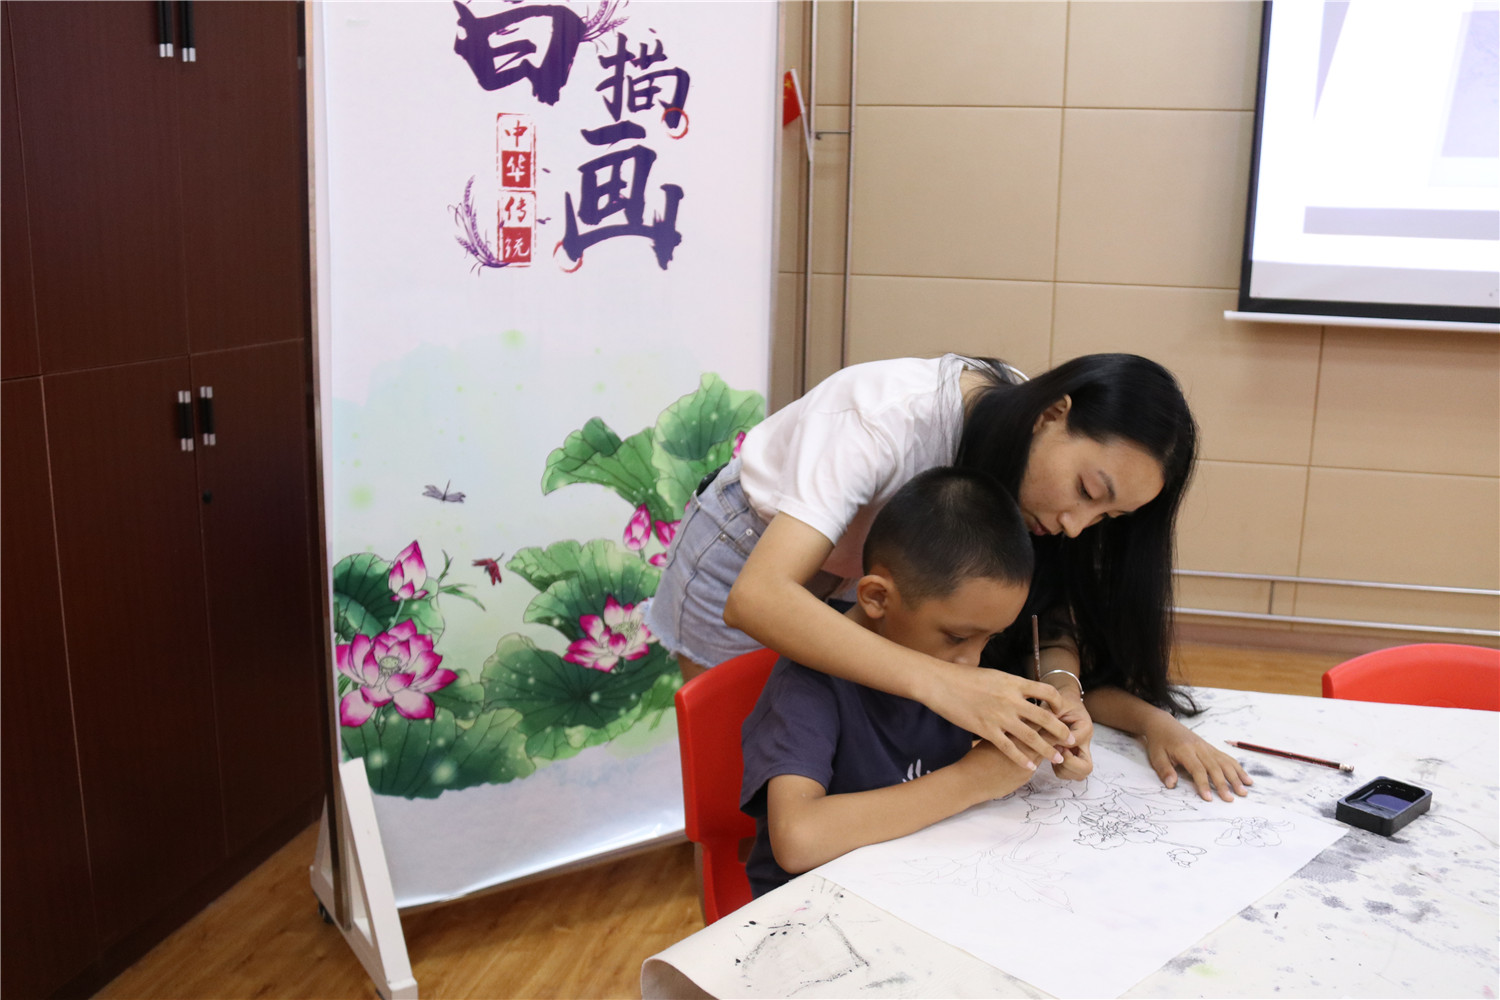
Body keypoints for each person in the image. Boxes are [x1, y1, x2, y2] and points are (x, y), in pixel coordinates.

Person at [646, 352, 1252, 801]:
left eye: (1106, 518)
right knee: (748, 787)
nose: (1076, 526)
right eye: (1088, 491)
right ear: (1052, 414)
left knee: (846, 773)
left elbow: (1049, 614)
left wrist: (1062, 692)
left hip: (864, 577)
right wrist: (948, 684)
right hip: (749, 553)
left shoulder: (1027, 460)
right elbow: (759, 597)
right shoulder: (884, 417)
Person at [739, 467, 1063, 897]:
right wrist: (973, 779)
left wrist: (1050, 736)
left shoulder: (943, 646)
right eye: (958, 637)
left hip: (918, 882)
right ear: (877, 597)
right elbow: (797, 839)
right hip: (812, 906)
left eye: (991, 639)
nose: (972, 661)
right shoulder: (809, 682)